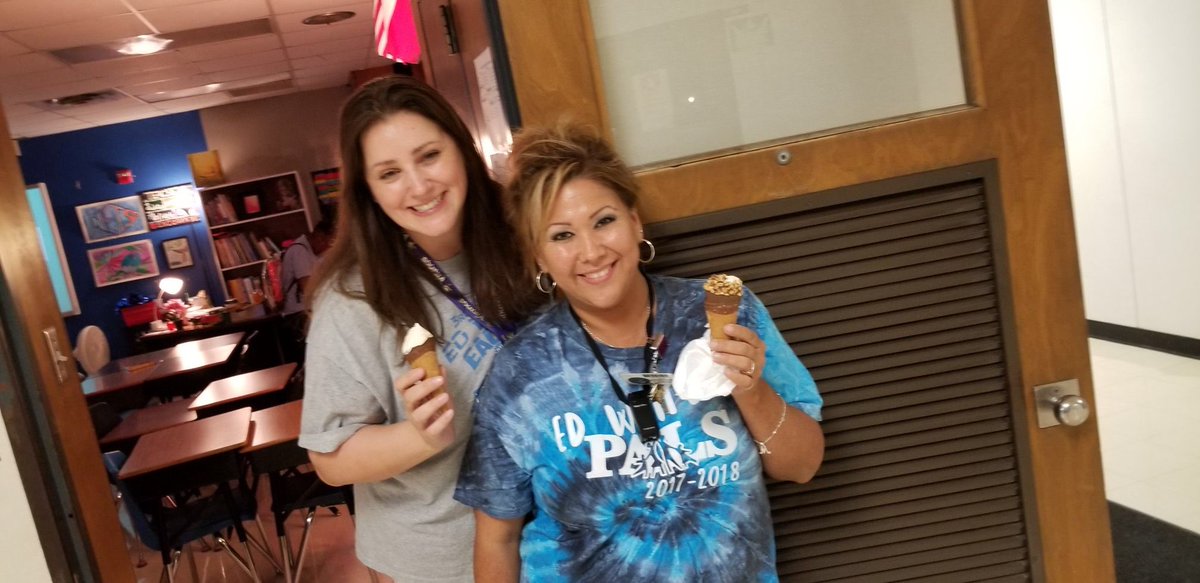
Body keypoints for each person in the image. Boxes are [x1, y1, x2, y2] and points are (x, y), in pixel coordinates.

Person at [455, 124, 825, 582]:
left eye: (604, 221)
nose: (590, 252)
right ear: (538, 256)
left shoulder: (721, 313)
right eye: (562, 236)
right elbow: (496, 537)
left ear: (635, 221)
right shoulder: (520, 373)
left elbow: (803, 465)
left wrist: (750, 389)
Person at [298, 76, 540, 581]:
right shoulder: (350, 300)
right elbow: (331, 458)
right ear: (367, 190)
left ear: (462, 148)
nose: (419, 186)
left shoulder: (528, 234)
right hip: (439, 557)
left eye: (429, 156)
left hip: (560, 532)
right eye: (389, 173)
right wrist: (419, 437)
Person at [279, 217, 334, 362]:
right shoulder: (299, 251)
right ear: (320, 237)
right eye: (329, 242)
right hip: (298, 315)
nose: (329, 247)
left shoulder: (313, 253)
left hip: (305, 312)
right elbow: (308, 288)